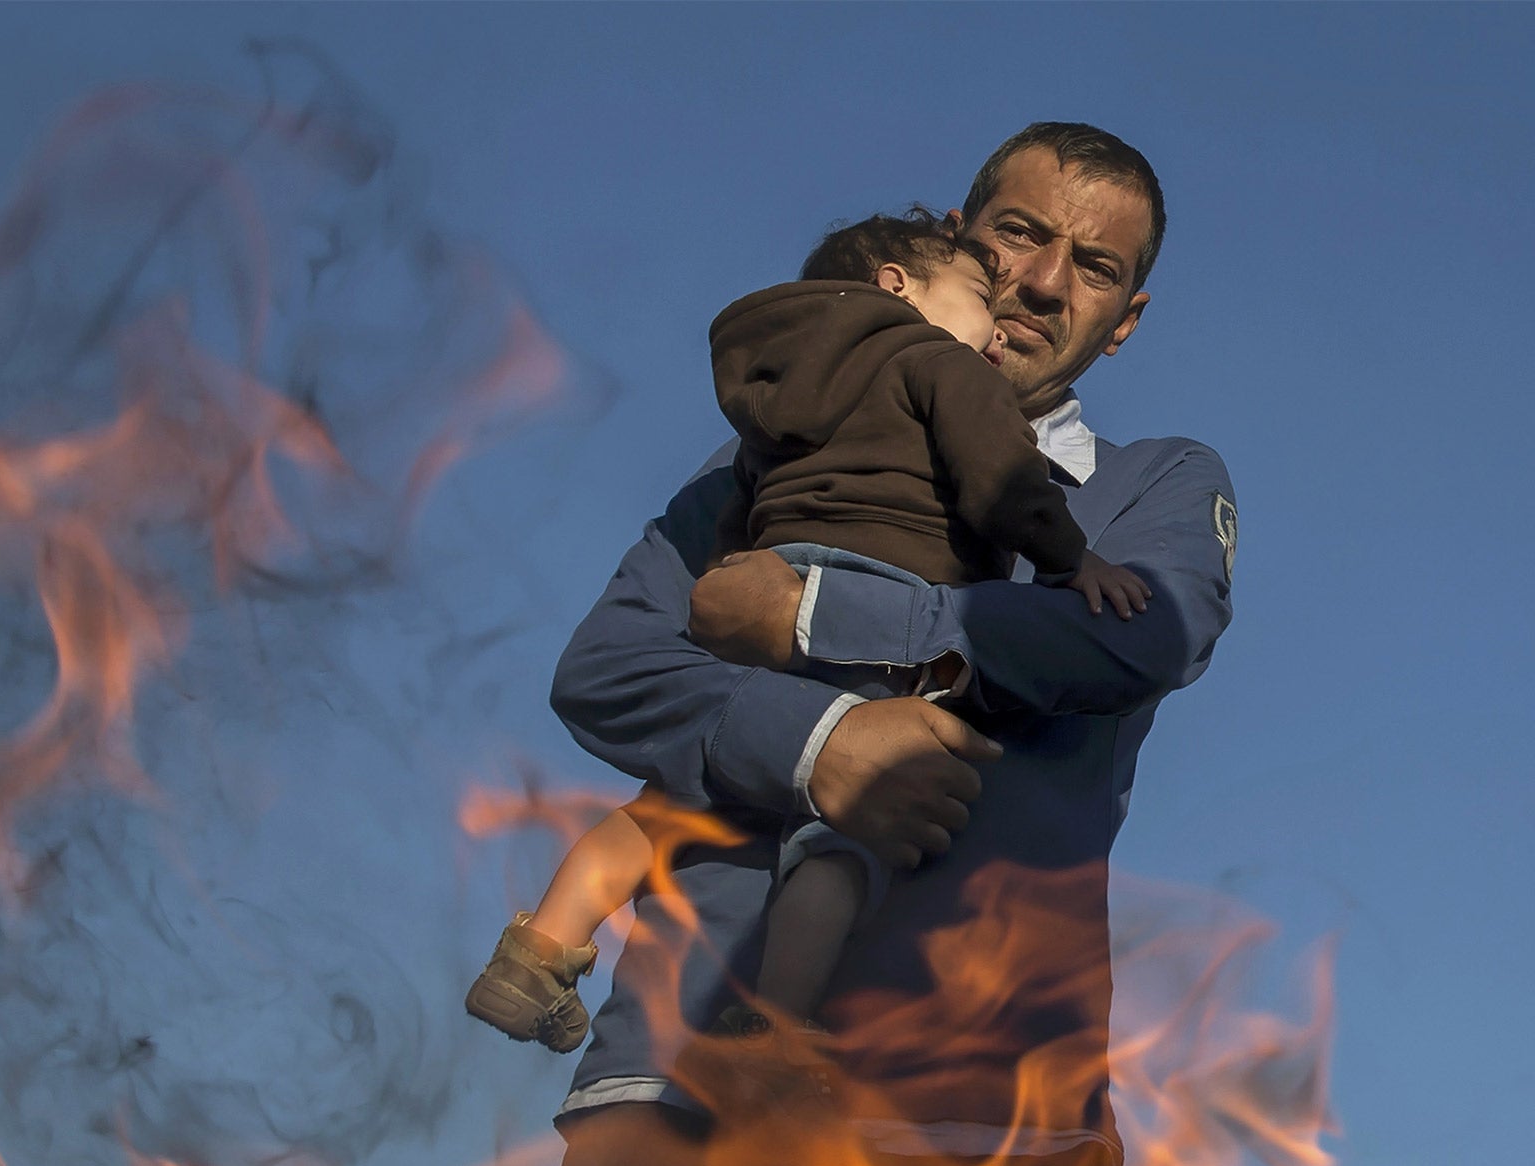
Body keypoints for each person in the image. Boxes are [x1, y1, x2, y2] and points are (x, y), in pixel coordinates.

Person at [488, 123, 1238, 1166]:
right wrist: (826, 743)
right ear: (952, 242)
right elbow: (612, 670)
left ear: (1124, 322)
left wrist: (823, 617)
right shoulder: (767, 465)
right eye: (1015, 234)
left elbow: (1140, 641)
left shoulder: (1151, 487)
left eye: (1092, 266)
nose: (1037, 282)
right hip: (688, 1079)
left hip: (975, 1121)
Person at [463, 208, 1149, 1055]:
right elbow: (1000, 477)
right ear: (898, 289)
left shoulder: (780, 394)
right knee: (843, 838)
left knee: (669, 809)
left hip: (763, 589)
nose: (999, 314)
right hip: (879, 595)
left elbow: (741, 508)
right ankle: (779, 1030)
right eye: (979, 291)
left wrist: (734, 594)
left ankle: (535, 951)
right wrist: (1068, 556)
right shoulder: (936, 360)